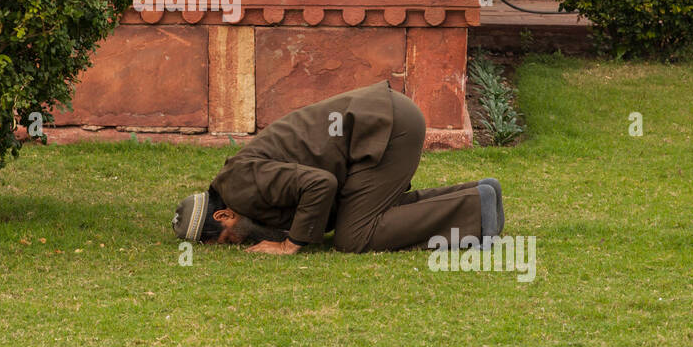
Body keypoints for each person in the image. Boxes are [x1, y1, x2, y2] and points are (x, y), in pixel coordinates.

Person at [172, 80, 503, 255]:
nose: (239, 242)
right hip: (382, 123)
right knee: (362, 218)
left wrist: (291, 245)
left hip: (386, 128)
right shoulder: (238, 181)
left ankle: (476, 211)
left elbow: (320, 184)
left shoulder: (244, 184)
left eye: (229, 240)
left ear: (223, 216)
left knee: (354, 236)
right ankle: (480, 194)